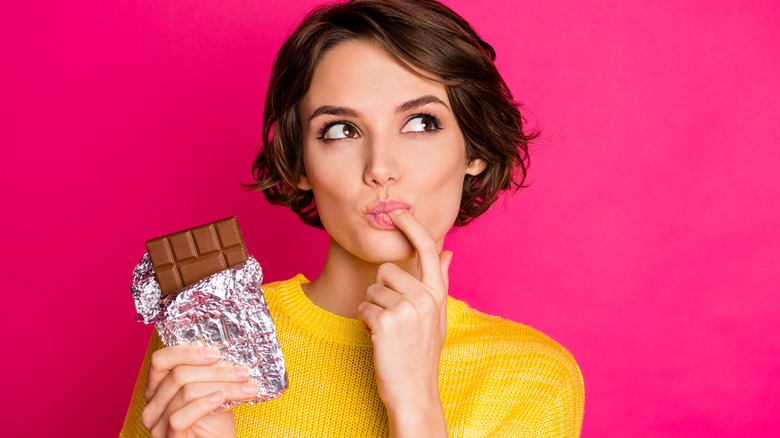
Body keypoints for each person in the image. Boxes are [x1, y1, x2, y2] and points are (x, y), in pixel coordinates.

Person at [120, 0, 584, 436]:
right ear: (300, 163)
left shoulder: (531, 378)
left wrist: (416, 404)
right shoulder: (202, 342)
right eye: (341, 130)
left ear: (475, 150)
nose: (380, 167)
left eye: (421, 123)